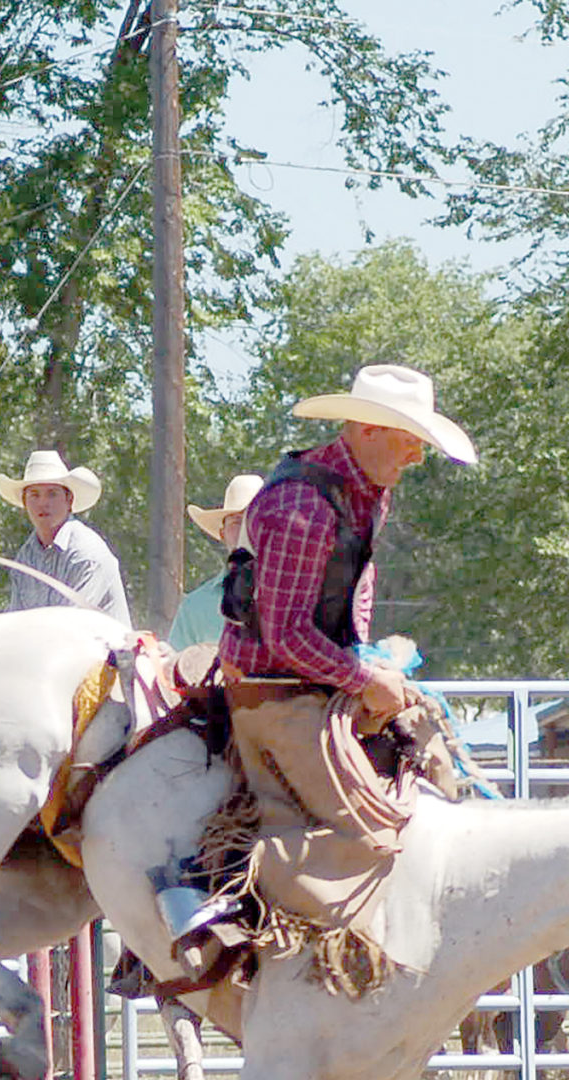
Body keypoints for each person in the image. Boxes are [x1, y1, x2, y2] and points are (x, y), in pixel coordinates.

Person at [157, 365, 478, 963]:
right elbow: (281, 635)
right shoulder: (304, 505)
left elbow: (349, 595)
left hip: (313, 682)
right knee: (365, 823)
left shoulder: (362, 494)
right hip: (270, 692)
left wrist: (367, 664)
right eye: (409, 439)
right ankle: (213, 894)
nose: (415, 456)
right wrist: (364, 677)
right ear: (367, 429)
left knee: (432, 768)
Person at [0, 448, 132, 624]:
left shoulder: (86, 553)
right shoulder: (26, 557)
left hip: (97, 650)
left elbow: (71, 628)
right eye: (34, 495)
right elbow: (16, 623)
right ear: (25, 502)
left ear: (69, 500)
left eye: (52, 494)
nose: (43, 503)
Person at [164, 474, 263, 650]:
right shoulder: (194, 609)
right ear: (223, 534)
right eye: (236, 522)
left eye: (253, 519)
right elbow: (172, 672)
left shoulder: (300, 598)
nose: (245, 531)